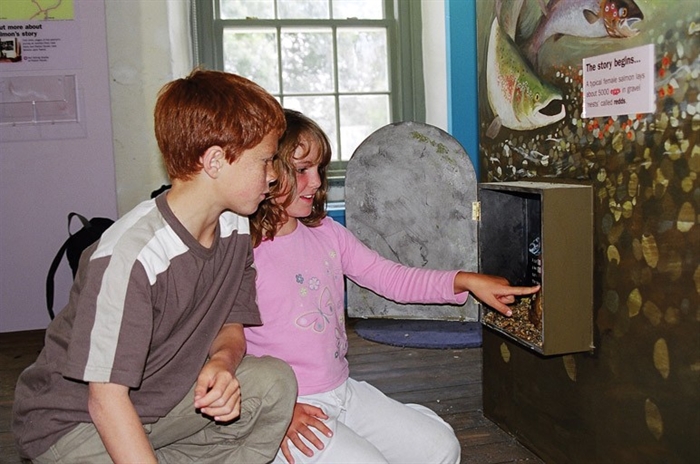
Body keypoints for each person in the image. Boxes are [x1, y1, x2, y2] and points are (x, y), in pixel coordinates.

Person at [12, 69, 298, 464]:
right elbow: (105, 400)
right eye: (266, 160)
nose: (273, 175)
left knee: (273, 383)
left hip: (160, 405)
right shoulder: (129, 258)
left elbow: (231, 320)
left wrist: (222, 362)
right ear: (215, 160)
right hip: (77, 425)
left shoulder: (233, 225)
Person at [246, 109, 541, 464]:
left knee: (441, 448)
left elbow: (390, 277)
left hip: (342, 391)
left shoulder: (327, 233)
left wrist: (464, 280)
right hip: (286, 409)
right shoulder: (240, 251)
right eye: (301, 170)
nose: (316, 182)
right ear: (267, 169)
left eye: (319, 169)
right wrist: (276, 411)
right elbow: (218, 348)